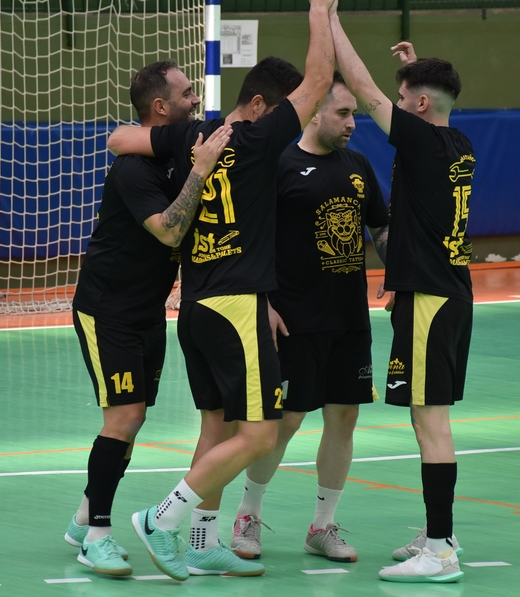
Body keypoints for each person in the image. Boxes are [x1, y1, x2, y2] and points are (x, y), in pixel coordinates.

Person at [105, 0, 336, 581]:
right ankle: (163, 518)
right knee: (259, 434)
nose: (295, 123)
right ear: (260, 106)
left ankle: (204, 542)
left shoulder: (192, 135)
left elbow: (119, 139)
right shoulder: (259, 138)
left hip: (197, 307)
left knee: (218, 427)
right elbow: (319, 79)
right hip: (236, 305)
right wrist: (320, 13)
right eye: (288, 113)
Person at [64, 60, 231, 577]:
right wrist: (202, 170)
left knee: (132, 421)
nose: (194, 100)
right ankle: (97, 537)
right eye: (186, 93)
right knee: (125, 417)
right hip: (107, 309)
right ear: (161, 106)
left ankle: (83, 517)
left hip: (146, 311)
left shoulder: (171, 157)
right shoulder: (134, 170)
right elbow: (169, 231)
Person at [330, 17, 472, 583]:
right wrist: (415, 70)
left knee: (430, 421)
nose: (393, 106)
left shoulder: (420, 139)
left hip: (432, 300)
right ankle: (442, 533)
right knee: (426, 416)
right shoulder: (457, 142)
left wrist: (329, 17)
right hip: (449, 292)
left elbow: (363, 87)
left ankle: (440, 550)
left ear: (418, 106)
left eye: (403, 98)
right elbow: (424, 96)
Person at [228, 72, 388, 564]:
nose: (352, 123)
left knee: (345, 417)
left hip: (349, 318)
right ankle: (247, 515)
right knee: (287, 421)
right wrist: (264, 302)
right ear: (315, 112)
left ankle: (322, 525)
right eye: (343, 113)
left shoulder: (358, 166)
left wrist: (405, 273)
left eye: (355, 114)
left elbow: (380, 228)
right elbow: (250, 240)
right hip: (293, 319)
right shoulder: (278, 165)